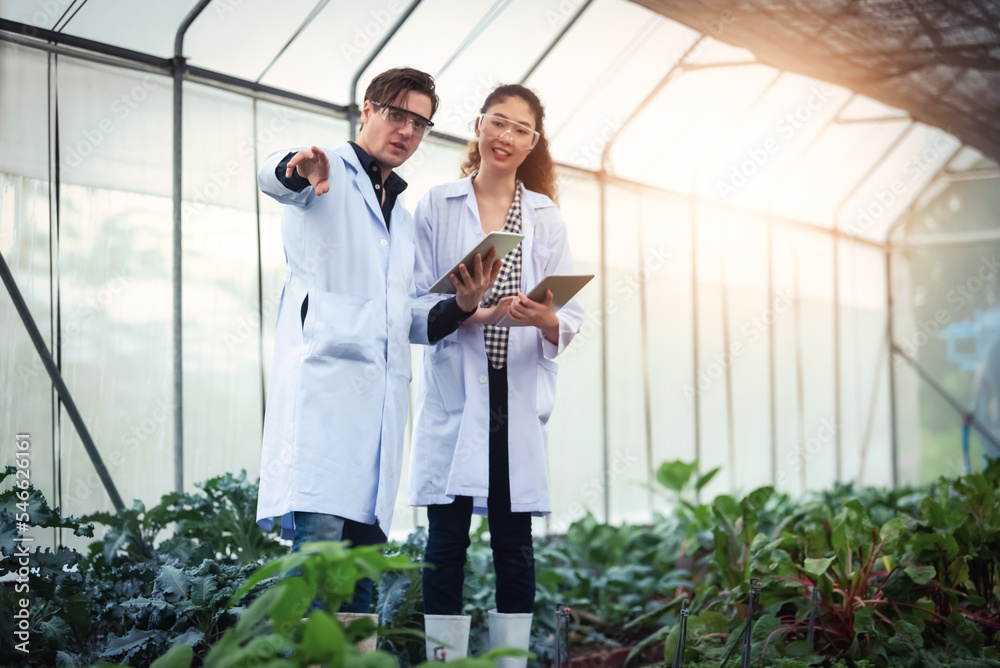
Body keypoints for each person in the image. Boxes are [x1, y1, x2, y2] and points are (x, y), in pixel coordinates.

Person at [254, 67, 502, 615]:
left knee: (360, 575)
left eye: (420, 122)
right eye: (397, 115)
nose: (407, 131)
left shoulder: (404, 216)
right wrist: (301, 167)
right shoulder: (326, 176)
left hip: (378, 416)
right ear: (367, 110)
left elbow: (412, 317)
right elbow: (277, 177)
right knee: (314, 562)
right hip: (323, 403)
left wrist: (463, 303)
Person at [409, 84, 584, 664]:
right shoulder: (437, 204)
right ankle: (444, 660)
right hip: (459, 395)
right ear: (479, 126)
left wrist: (546, 316)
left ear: (534, 143)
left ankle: (508, 662)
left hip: (514, 397)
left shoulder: (543, 215)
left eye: (520, 130)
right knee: (447, 542)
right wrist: (466, 306)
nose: (506, 137)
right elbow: (416, 306)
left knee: (514, 546)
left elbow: (571, 316)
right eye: (498, 123)